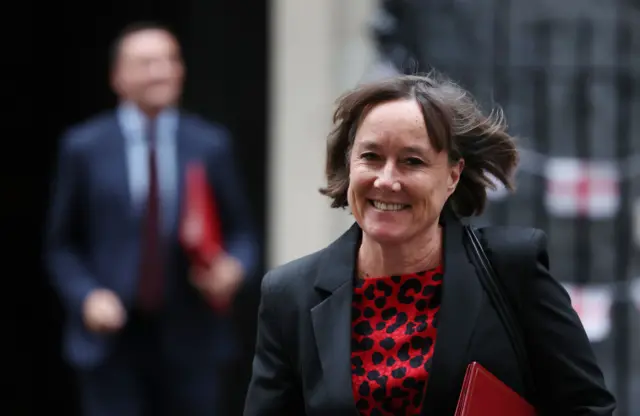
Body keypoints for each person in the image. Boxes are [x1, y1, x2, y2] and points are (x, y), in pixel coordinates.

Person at [243, 74, 616, 415]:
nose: (387, 180)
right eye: (371, 157)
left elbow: (587, 407)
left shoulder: (512, 270)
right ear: (349, 163)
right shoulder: (290, 294)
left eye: (412, 161)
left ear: (453, 175)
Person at [45, 22, 258, 416]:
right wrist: (87, 295)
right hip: (111, 338)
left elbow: (242, 233)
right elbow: (61, 245)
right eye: (146, 63)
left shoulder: (210, 144)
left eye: (170, 60)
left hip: (191, 333)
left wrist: (233, 269)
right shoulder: (84, 147)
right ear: (118, 77)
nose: (161, 71)